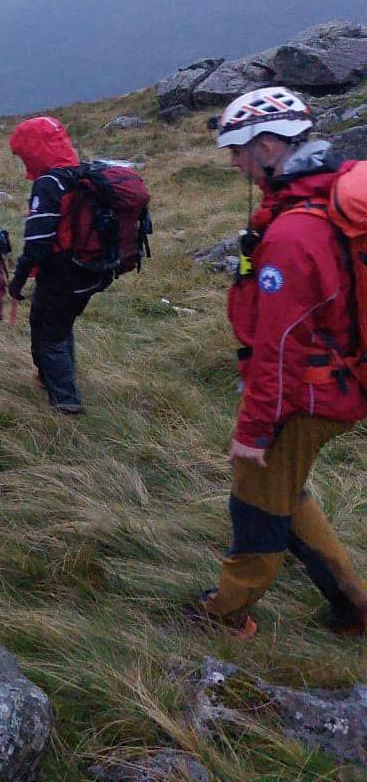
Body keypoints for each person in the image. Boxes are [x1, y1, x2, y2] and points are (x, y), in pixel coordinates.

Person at [189, 86, 367, 639]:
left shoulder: (294, 232)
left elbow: (279, 348)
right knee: (287, 492)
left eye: (238, 151)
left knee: (257, 504)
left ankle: (227, 613)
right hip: (335, 385)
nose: (235, 162)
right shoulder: (314, 203)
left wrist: (254, 429)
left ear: (269, 145)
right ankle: (353, 607)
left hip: (307, 394)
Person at [8, 116, 107, 414]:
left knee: (49, 333)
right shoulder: (82, 173)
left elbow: (38, 243)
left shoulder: (49, 183)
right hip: (91, 269)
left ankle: (66, 402)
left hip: (63, 273)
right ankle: (54, 379)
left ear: (35, 150)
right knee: (58, 326)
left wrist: (18, 279)